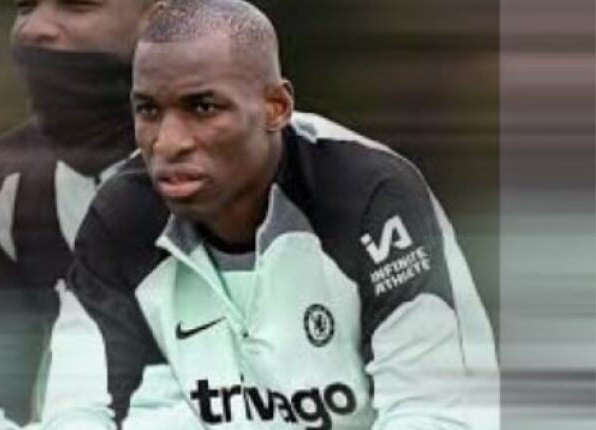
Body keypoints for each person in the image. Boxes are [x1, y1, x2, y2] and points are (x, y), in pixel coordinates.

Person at [52, 0, 499, 429]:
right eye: (148, 110)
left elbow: (434, 411)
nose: (167, 143)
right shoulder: (119, 218)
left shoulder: (371, 197)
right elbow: (74, 410)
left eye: (203, 108)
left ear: (276, 108)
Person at [0, 0, 160, 427]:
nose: (33, 29)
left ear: (162, 18)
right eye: (24, 6)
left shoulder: (275, 169)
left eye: (76, 5)